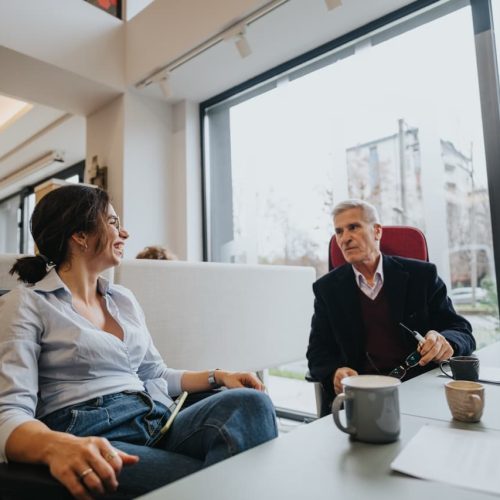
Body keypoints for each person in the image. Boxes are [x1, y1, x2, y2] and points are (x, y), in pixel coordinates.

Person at [0, 185, 277, 499]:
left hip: (154, 417)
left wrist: (218, 376)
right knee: (213, 483)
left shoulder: (123, 299)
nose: (125, 233)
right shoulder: (27, 303)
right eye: (113, 223)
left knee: (252, 405)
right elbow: (9, 413)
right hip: (91, 432)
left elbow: (154, 374)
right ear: (80, 235)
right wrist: (57, 447)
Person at [306, 199, 475, 413]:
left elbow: (462, 331)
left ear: (377, 231)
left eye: (353, 227)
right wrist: (335, 372)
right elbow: (317, 353)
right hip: (363, 397)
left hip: (421, 390)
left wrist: (445, 341)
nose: (345, 238)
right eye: (339, 232)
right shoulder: (327, 289)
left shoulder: (422, 276)